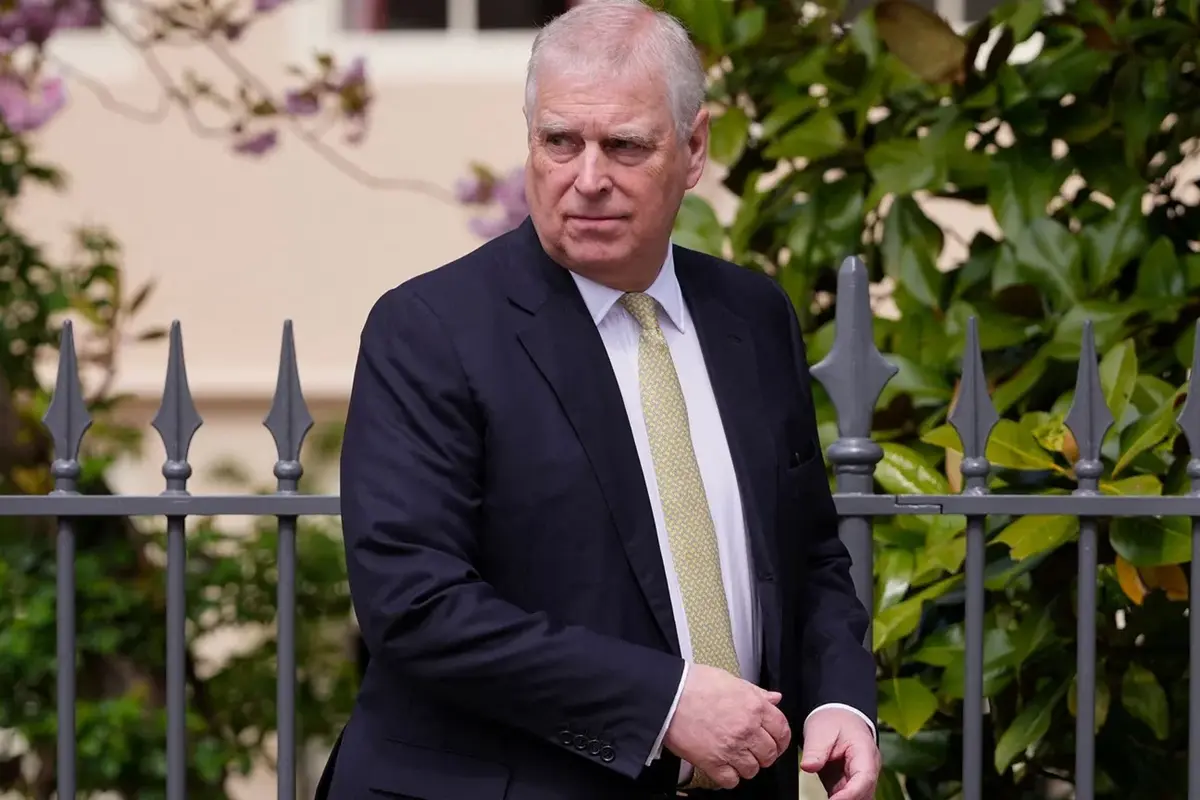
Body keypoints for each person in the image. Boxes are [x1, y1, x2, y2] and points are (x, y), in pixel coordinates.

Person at [314, 1, 880, 798]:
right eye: (559, 142)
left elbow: (810, 553)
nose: (587, 179)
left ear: (693, 148)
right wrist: (665, 704)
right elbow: (416, 605)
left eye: (624, 145)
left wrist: (840, 700)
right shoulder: (432, 330)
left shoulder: (752, 317)